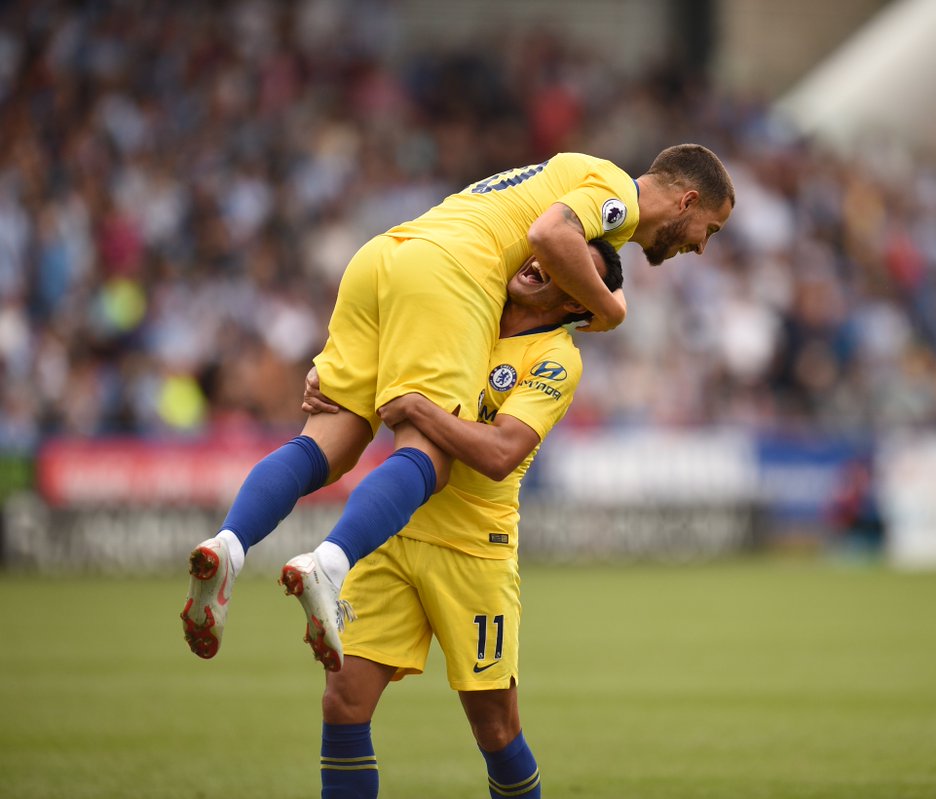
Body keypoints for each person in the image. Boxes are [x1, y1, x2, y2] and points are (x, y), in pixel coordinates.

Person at [181, 144, 734, 664]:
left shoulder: (566, 175)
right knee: (431, 456)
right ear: (687, 200)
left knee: (332, 442)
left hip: (386, 256)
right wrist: (611, 311)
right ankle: (331, 564)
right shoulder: (616, 192)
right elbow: (549, 233)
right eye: (709, 229)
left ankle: (229, 544)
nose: (701, 246)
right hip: (453, 273)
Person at [308, 238, 623, 799]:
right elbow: (377, 354)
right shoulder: (464, 306)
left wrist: (418, 408)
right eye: (546, 254)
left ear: (577, 302)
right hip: (395, 531)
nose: (539, 263)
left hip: (474, 551)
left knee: (496, 731)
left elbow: (501, 453)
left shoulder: (556, 358)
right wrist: (334, 378)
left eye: (565, 267)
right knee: (342, 703)